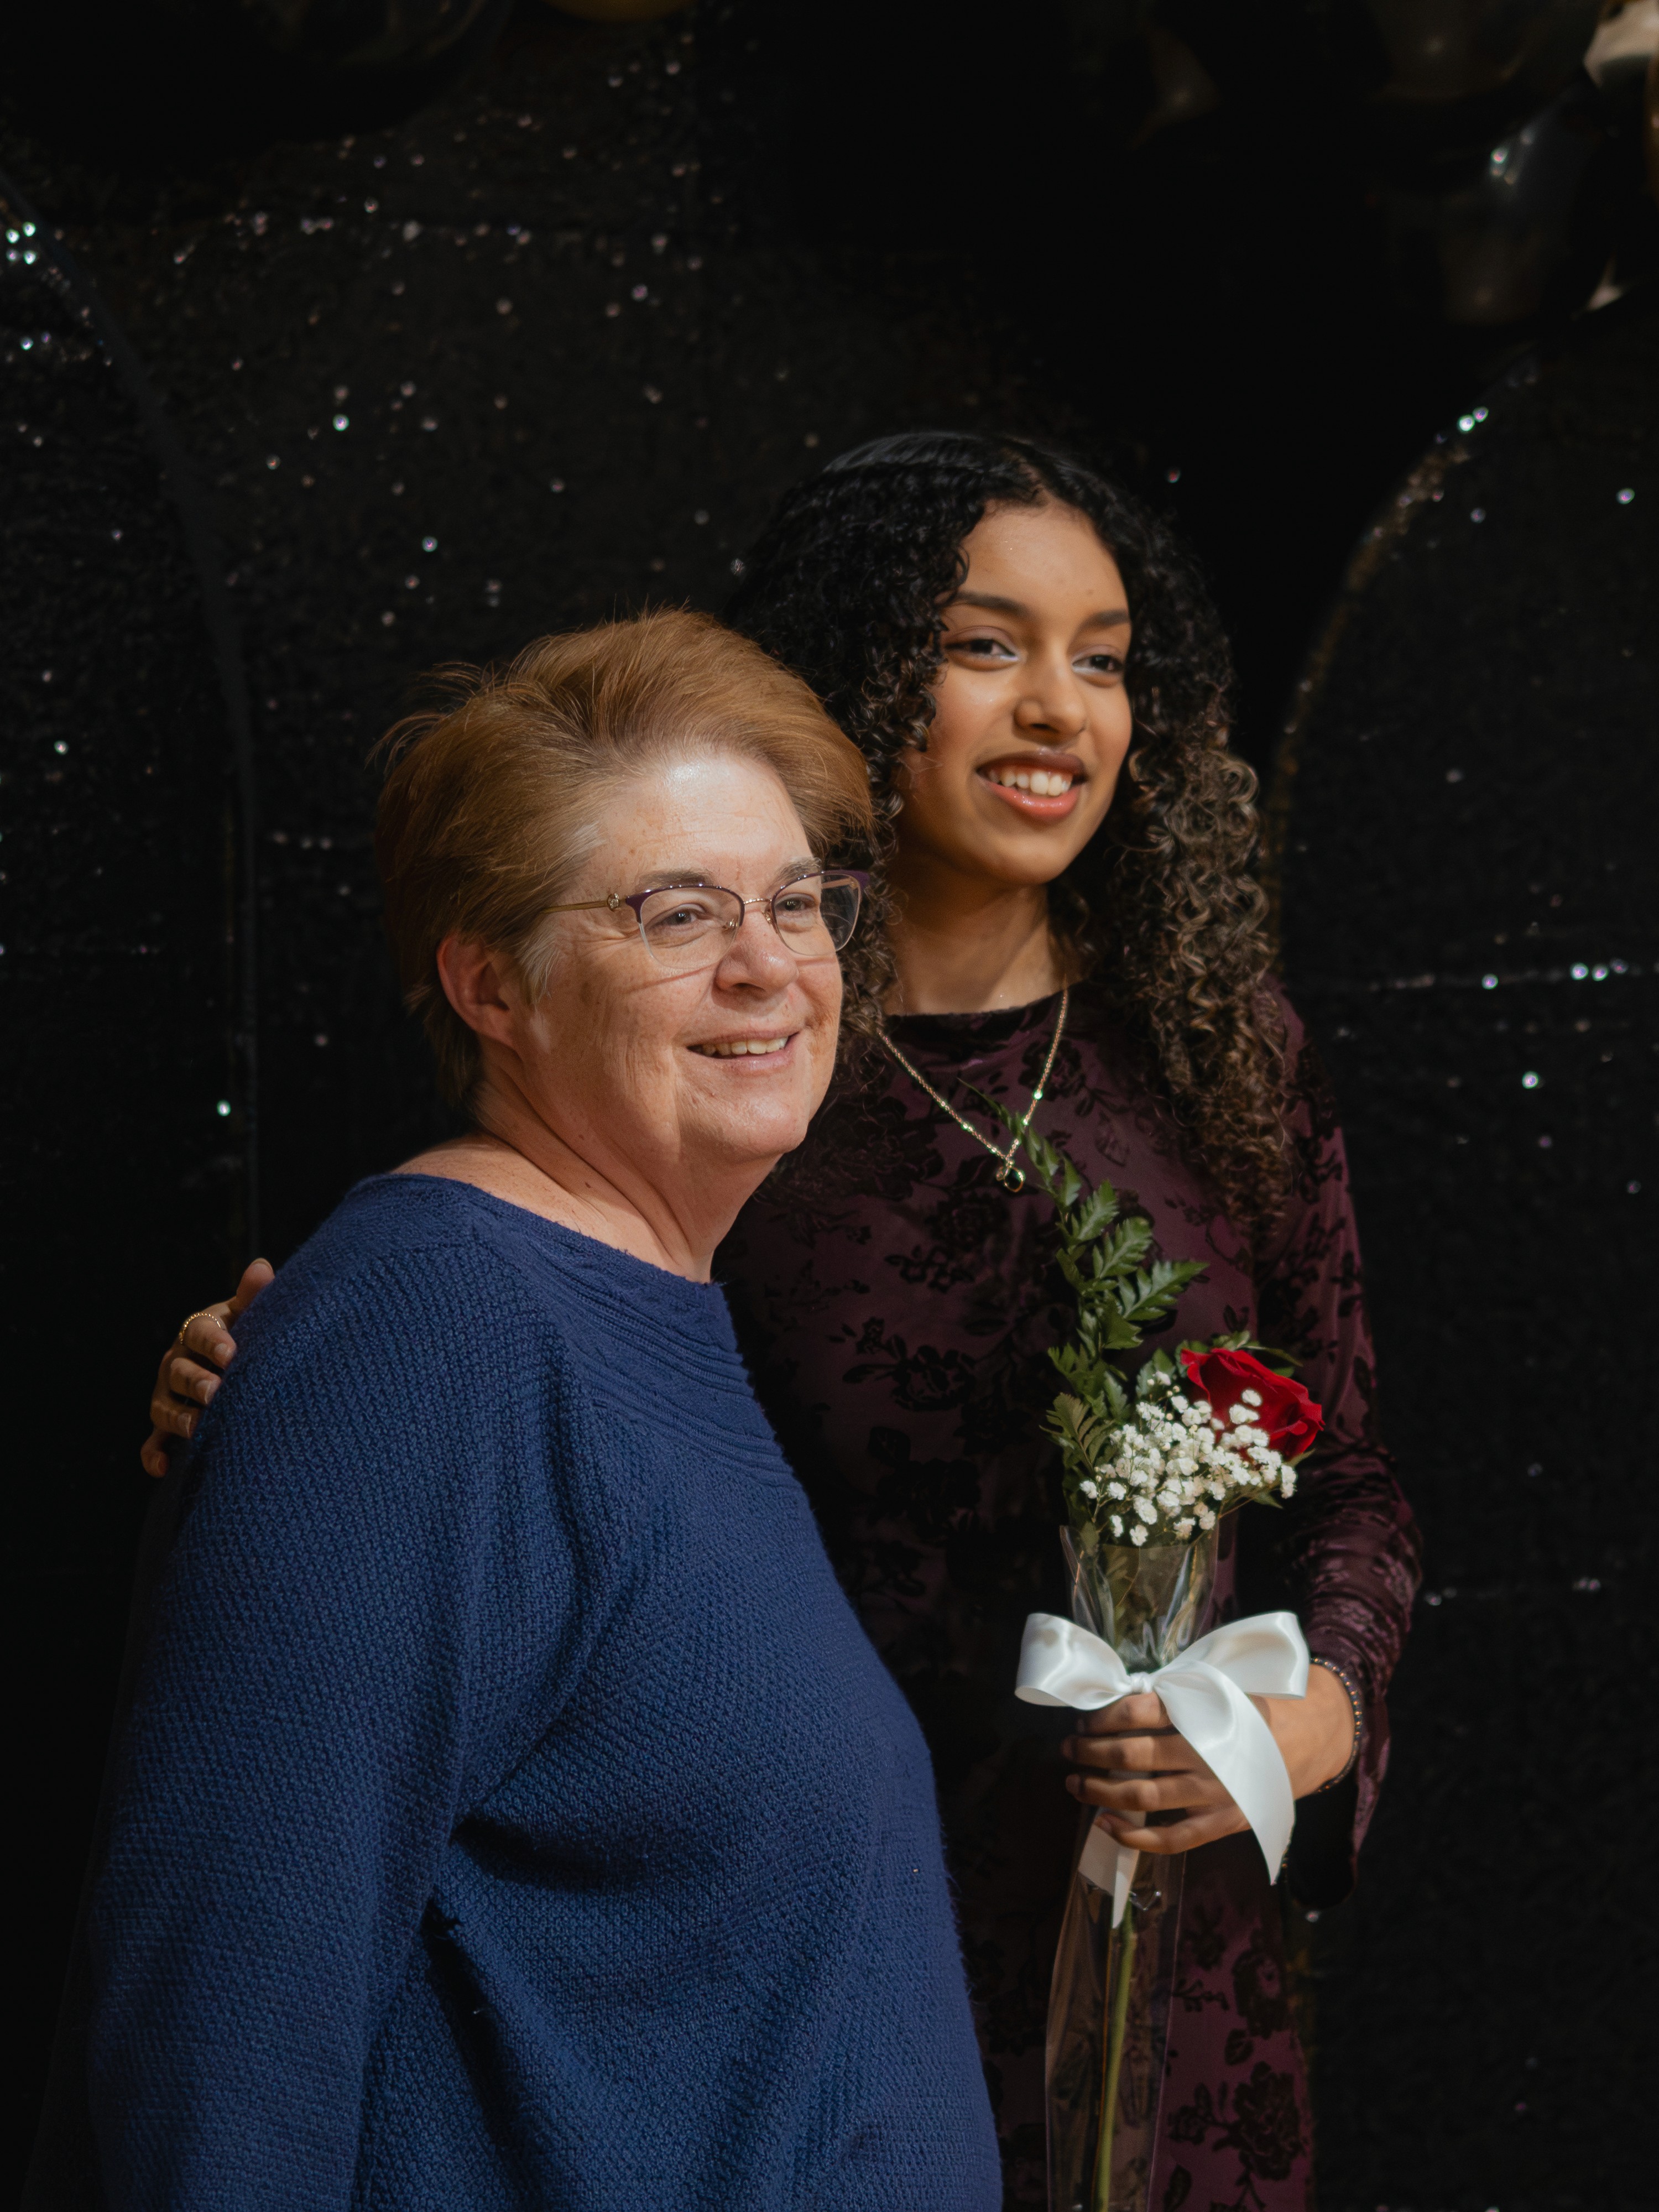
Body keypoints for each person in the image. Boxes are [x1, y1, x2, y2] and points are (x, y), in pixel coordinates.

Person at [145, 434, 1421, 2210]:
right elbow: (498, 1384)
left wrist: (1320, 1708)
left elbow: (1345, 1463)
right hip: (773, 1919)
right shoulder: (727, 1080)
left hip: (1148, 1932)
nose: (1059, 708)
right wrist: (273, 1386)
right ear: (864, 670)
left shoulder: (1211, 1051)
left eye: (1107, 657)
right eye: (987, 645)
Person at [70, 610, 1002, 2212]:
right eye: (677, 912)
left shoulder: (640, 1314)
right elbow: (223, 2022)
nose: (771, 964)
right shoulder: (433, 1328)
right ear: (493, 983)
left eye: (798, 902)